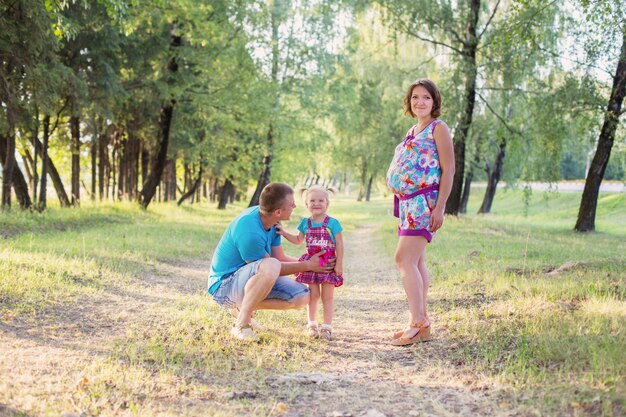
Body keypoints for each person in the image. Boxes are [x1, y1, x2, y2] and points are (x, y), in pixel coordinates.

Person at [208, 182, 335, 341]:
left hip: (248, 279)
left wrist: (318, 266)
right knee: (271, 265)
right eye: (291, 204)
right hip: (224, 287)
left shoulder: (273, 223)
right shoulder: (249, 231)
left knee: (303, 296)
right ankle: (242, 324)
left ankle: (243, 309)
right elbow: (273, 267)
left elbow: (280, 259)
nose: (295, 205)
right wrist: (308, 265)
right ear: (278, 211)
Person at [385, 79, 455, 346]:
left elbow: (448, 170)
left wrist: (441, 206)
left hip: (424, 203)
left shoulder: (439, 128)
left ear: (434, 102)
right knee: (417, 262)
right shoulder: (412, 130)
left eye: (426, 97)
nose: (420, 102)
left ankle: (419, 322)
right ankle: (419, 320)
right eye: (415, 97)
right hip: (407, 205)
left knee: (403, 259)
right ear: (409, 102)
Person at [276, 185, 344, 340]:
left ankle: (327, 327)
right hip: (311, 266)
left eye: (321, 200)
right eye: (312, 200)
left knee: (328, 297)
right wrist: (284, 233)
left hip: (328, 266)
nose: (316, 203)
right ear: (306, 204)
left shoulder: (333, 223)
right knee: (313, 296)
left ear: (327, 204)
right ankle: (312, 325)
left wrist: (339, 264)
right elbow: (298, 240)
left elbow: (339, 244)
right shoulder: (305, 223)